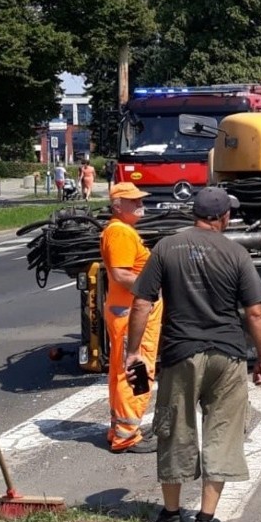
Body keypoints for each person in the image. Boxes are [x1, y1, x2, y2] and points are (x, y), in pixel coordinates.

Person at [126, 186, 261, 522]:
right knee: (222, 436)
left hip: (181, 354)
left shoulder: (165, 248)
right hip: (228, 356)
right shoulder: (236, 253)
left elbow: (143, 303)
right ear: (224, 217)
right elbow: (255, 311)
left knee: (176, 432)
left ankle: (172, 519)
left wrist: (134, 352)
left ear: (195, 214)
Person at [100, 182, 163, 454]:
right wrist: (153, 287)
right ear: (117, 206)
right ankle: (126, 435)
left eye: (140, 199)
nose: (141, 204)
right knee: (135, 369)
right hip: (131, 314)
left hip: (124, 311)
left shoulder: (122, 231)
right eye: (133, 201)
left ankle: (121, 428)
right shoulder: (121, 233)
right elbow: (122, 274)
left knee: (121, 371)